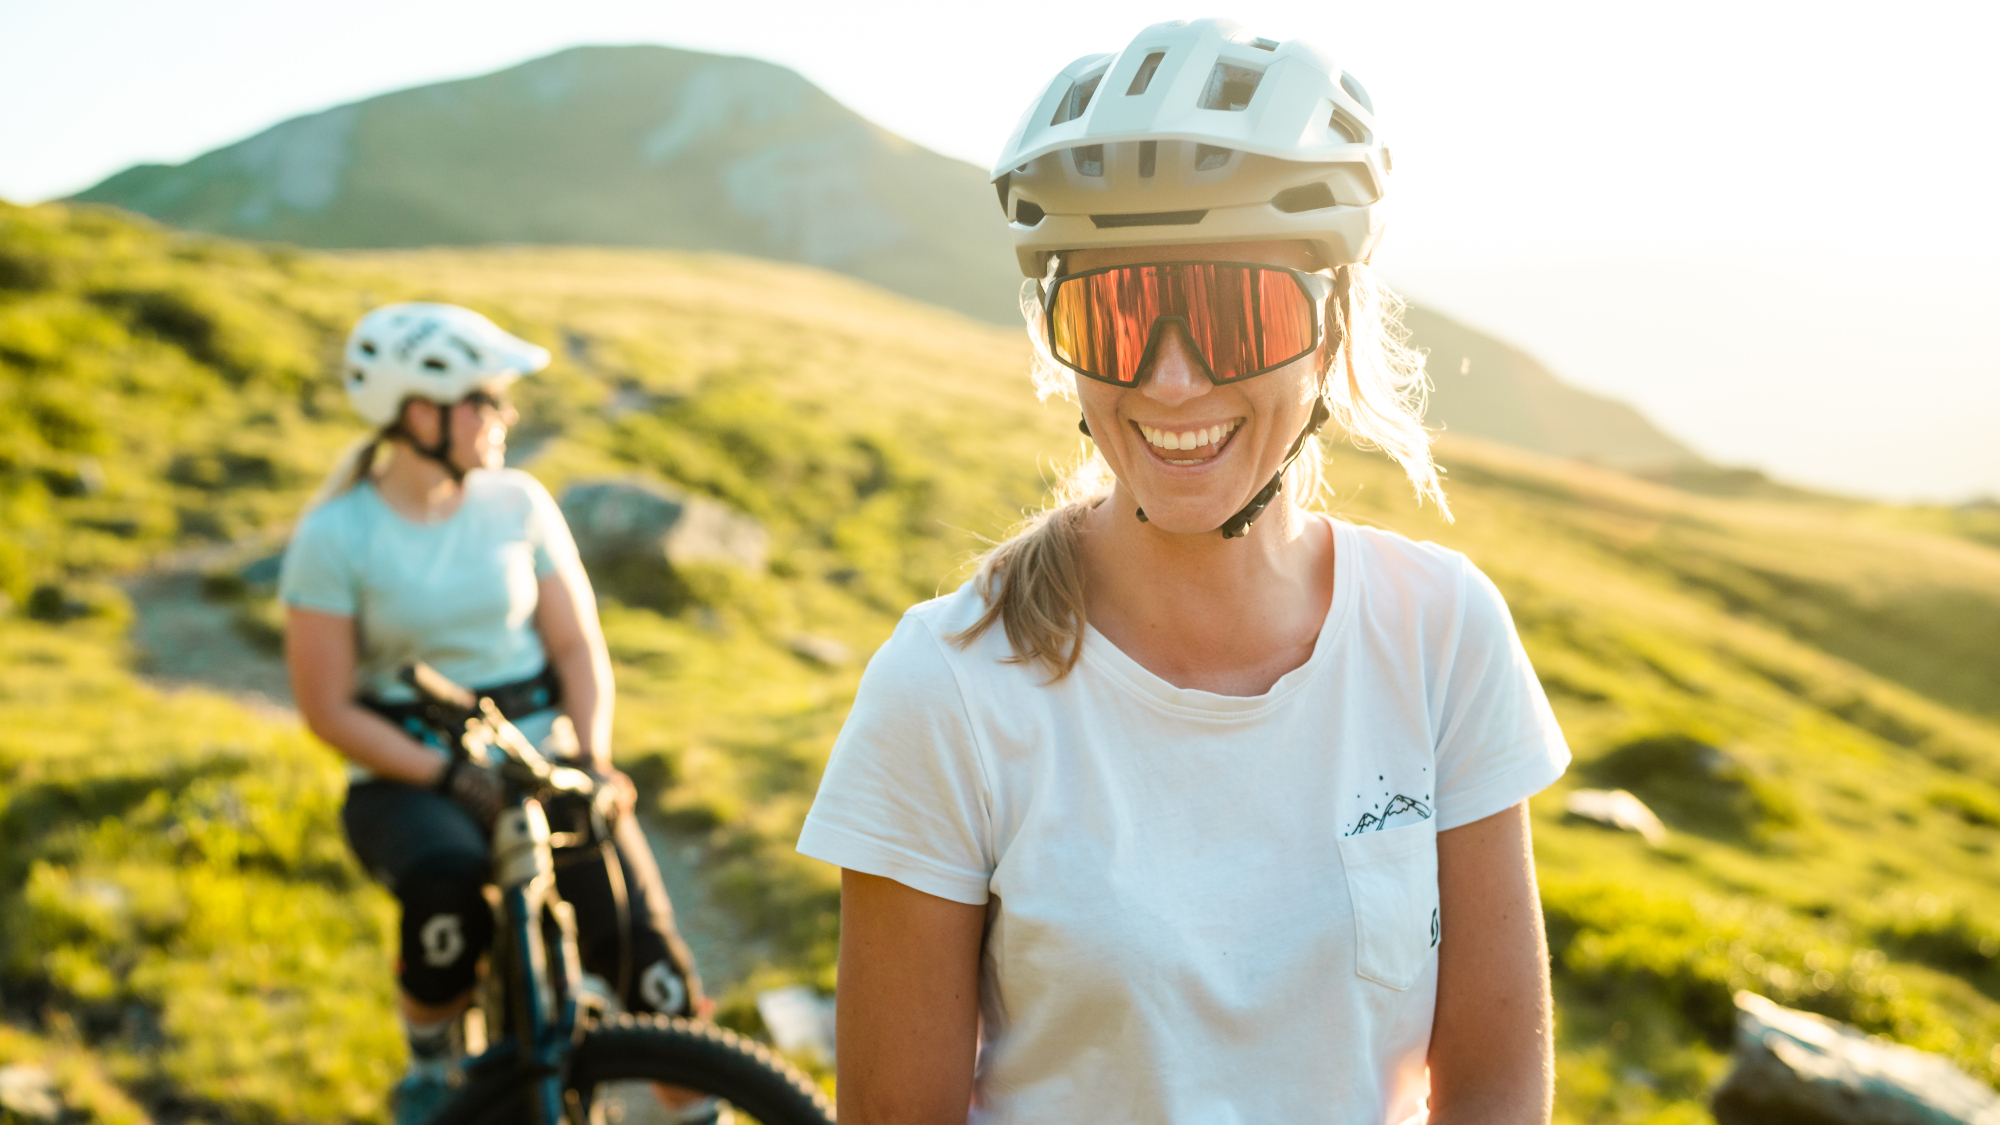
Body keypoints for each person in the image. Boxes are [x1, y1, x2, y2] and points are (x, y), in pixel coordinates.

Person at [798, 19, 1568, 1125]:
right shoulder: (947, 686)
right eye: (1111, 316)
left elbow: (1493, 1087)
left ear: (1329, 324)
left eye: (1231, 312)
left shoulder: (1442, 634)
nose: (1167, 381)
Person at [280, 303, 705, 1125]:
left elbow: (578, 649)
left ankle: (699, 1108)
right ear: (418, 412)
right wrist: (447, 775)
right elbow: (326, 706)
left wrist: (594, 755)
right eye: (486, 398)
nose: (504, 415)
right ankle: (433, 1061)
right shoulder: (334, 534)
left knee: (651, 970)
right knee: (446, 892)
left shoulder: (519, 503)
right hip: (411, 773)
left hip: (540, 757)